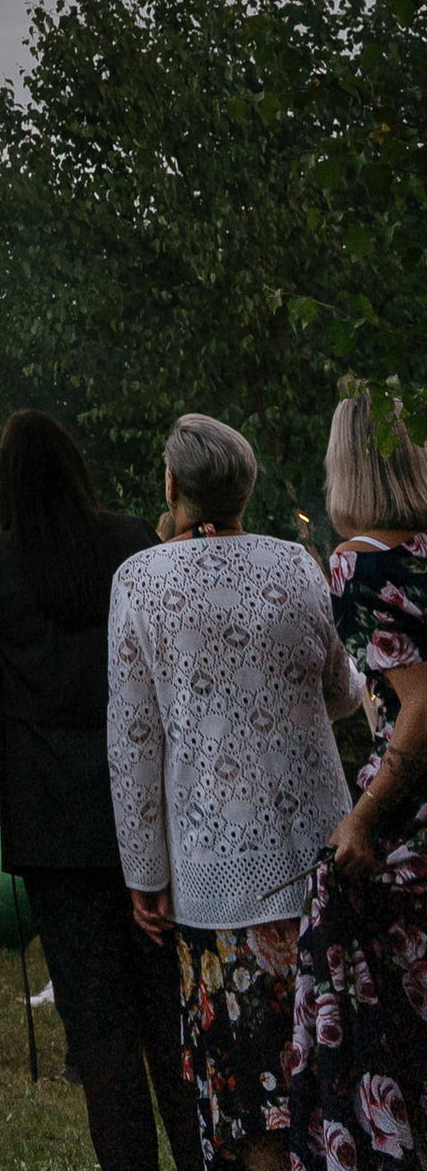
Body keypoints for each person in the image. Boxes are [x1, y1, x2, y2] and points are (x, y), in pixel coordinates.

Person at [107, 412, 364, 1171]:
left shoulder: (140, 581)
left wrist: (143, 874)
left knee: (252, 1098)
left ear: (172, 486)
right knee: (333, 1081)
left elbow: (132, 741)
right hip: (324, 860)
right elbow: (345, 691)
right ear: (245, 488)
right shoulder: (296, 566)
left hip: (216, 880)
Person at [0, 413, 195, 1171]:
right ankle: (198, 1151)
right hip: (149, 809)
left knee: (98, 1027)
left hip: (53, 818)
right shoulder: (129, 538)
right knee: (169, 1012)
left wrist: (11, 788)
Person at [290, 385, 427, 1171]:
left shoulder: (358, 562)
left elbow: (417, 707)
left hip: (404, 826)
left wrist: (365, 818)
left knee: (371, 1033)